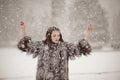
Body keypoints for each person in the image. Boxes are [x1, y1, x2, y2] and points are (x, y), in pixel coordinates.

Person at [17, 21, 92, 80]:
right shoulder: (41, 46)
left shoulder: (64, 47)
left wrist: (88, 33)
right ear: (49, 36)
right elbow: (26, 45)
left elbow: (81, 48)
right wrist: (23, 29)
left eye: (58, 35)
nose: (57, 37)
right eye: (54, 35)